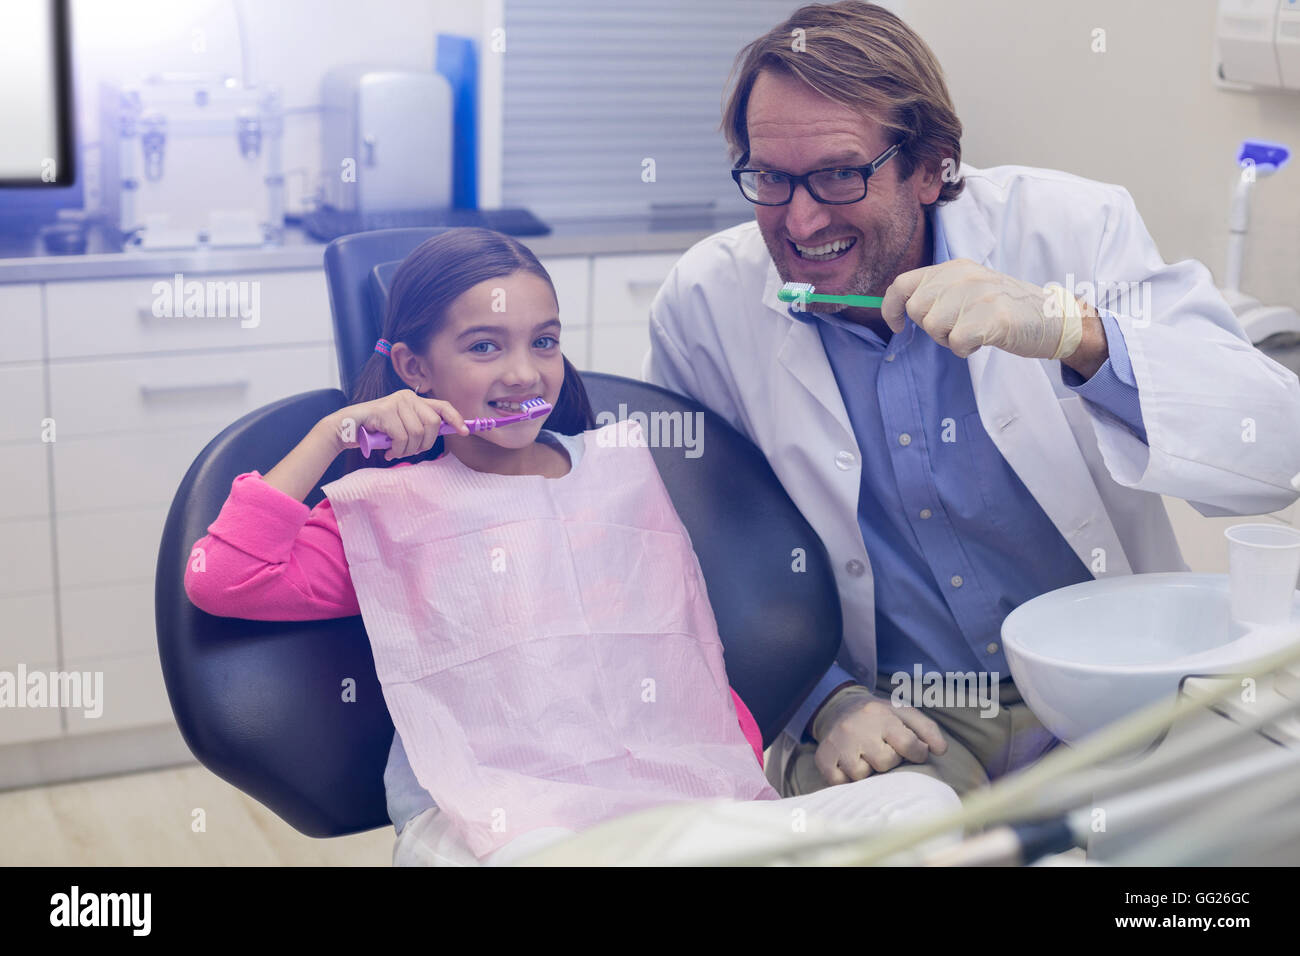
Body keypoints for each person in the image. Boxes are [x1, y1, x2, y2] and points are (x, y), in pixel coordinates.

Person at [643, 1, 1300, 800]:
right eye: (770, 178)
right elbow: (698, 547)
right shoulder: (706, 304)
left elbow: (1273, 450)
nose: (799, 217)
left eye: (841, 174)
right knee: (898, 845)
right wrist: (825, 703)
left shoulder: (1072, 230)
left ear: (930, 166)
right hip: (897, 719)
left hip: (1110, 684)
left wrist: (1078, 334)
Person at [185, 227, 961, 866]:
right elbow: (224, 577)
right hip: (498, 827)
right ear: (414, 368)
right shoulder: (385, 517)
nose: (524, 373)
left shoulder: (621, 474)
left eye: (544, 341)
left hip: (668, 813)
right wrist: (331, 435)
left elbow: (667, 657)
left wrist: (716, 771)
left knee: (924, 807)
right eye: (484, 347)